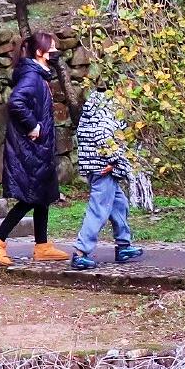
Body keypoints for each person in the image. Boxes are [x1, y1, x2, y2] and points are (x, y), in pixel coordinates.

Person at [0, 33, 71, 266]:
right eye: (51, 48)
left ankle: (42, 246)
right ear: (39, 53)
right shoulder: (32, 77)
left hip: (38, 148)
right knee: (30, 196)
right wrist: (33, 126)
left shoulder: (38, 76)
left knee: (42, 195)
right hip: (30, 149)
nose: (55, 52)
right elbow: (16, 103)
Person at [69, 82, 145, 270]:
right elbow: (104, 136)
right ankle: (80, 253)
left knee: (119, 204)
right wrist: (116, 161)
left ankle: (123, 246)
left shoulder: (96, 105)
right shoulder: (107, 108)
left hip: (96, 165)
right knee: (98, 210)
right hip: (102, 167)